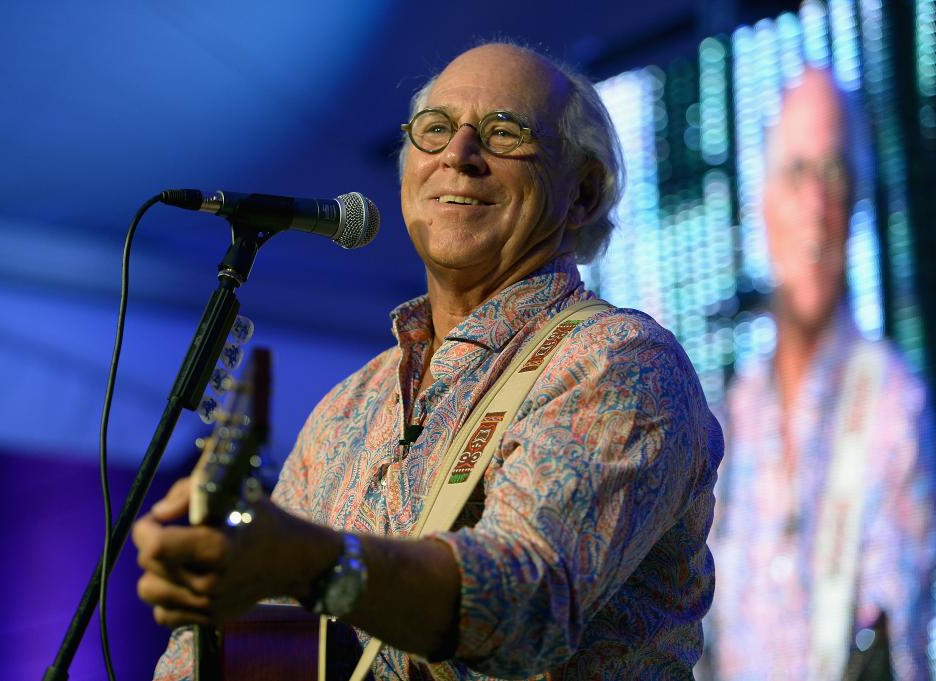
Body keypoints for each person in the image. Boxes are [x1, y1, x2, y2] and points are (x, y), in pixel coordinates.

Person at [133, 42, 724, 680]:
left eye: (504, 133)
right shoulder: (346, 409)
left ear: (581, 193)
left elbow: (526, 606)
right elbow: (259, 638)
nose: (458, 156)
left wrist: (310, 562)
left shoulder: (617, 362)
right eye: (435, 130)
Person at [705, 69, 936, 680]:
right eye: (796, 173)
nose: (816, 206)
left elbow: (897, 645)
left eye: (834, 175)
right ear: (762, 204)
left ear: (857, 199)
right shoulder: (733, 413)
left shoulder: (892, 402)